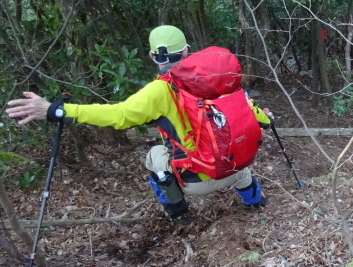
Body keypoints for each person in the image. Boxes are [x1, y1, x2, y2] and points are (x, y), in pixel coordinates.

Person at [6, 25, 272, 224]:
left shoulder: (159, 91)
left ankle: (179, 214)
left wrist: (57, 110)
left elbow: (118, 115)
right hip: (237, 165)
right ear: (188, 51)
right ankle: (256, 202)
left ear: (152, 56)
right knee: (237, 168)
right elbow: (254, 113)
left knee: (155, 155)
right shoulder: (220, 77)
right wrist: (265, 119)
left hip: (198, 181)